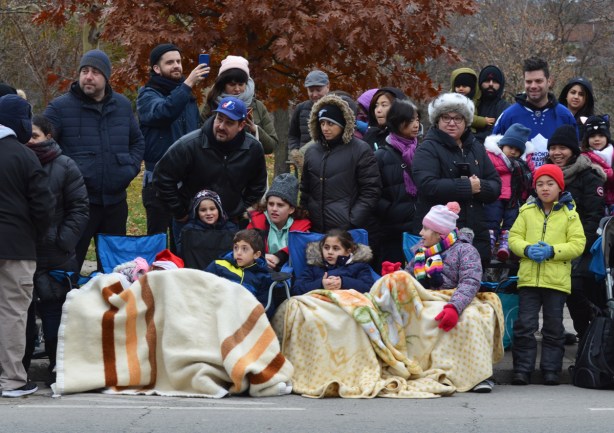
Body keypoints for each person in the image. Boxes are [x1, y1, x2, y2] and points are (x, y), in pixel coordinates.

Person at [44, 49, 145, 270]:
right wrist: (69, 176)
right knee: (67, 265)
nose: (88, 76)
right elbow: (44, 146)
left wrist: (128, 169)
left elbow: (137, 142)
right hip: (77, 205)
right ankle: (62, 303)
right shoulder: (59, 108)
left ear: (106, 77)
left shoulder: (121, 105)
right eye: (85, 71)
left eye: (95, 72)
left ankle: (109, 304)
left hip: (115, 203)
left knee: (113, 270)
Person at [20, 114, 89, 387]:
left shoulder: (66, 166)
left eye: (35, 136)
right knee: (21, 315)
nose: (30, 141)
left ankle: (56, 367)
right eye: (27, 135)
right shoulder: (19, 163)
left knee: (54, 316)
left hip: (56, 254)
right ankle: (19, 368)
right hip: (24, 250)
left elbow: (80, 208)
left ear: (49, 136)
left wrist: (63, 240)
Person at [153, 96, 267, 246]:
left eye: (229, 123)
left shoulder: (253, 148)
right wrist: (180, 212)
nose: (221, 126)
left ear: (241, 125)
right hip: (190, 224)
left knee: (226, 267)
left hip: (230, 225)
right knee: (188, 269)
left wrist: (240, 210)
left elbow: (258, 185)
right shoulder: (190, 145)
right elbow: (162, 177)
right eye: (219, 118)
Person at [508, 164, 586, 385]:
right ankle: (522, 370)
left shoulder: (570, 214)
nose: (544, 188)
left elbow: (578, 244)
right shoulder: (526, 212)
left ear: (560, 187)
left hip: (556, 281)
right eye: (540, 184)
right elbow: (513, 238)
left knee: (553, 327)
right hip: (529, 280)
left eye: (550, 184)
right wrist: (526, 249)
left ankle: (550, 370)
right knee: (525, 325)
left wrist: (553, 251)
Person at [407, 201, 494, 393]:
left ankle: (479, 376)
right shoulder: (420, 253)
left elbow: (470, 282)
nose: (421, 233)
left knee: (472, 319)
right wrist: (394, 275)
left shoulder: (466, 251)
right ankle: (423, 370)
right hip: (429, 299)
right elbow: (409, 279)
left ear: (440, 234)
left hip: (457, 299)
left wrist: (455, 307)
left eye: (425, 229)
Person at [0, 95, 53, 397]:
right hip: (16, 247)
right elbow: (43, 207)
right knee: (12, 313)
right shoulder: (24, 156)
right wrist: (38, 235)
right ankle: (13, 380)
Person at [411, 92, 501, 264]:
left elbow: (496, 184)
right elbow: (427, 184)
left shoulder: (476, 147)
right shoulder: (427, 148)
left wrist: (479, 186)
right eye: (446, 117)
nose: (452, 123)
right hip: (438, 236)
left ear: (466, 122)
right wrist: (467, 187)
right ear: (437, 120)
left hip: (476, 231)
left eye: (458, 118)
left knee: (475, 284)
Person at [137, 43, 206, 246]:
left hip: (186, 182)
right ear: (156, 68)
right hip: (157, 182)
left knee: (183, 244)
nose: (176, 66)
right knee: (157, 244)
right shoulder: (147, 94)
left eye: (178, 61)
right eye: (170, 62)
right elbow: (164, 112)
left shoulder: (188, 98)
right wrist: (188, 84)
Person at [300, 94, 381, 263]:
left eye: (330, 123)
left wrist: (351, 220)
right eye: (322, 123)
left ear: (343, 124)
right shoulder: (312, 151)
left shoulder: (360, 150)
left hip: (348, 232)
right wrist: (306, 216)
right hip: (316, 230)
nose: (325, 128)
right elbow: (305, 189)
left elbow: (371, 190)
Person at [544, 125, 607, 341]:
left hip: (582, 246)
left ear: (573, 150)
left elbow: (594, 217)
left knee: (577, 285)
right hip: (548, 245)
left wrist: (577, 246)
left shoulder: (589, 176)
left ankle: (591, 335)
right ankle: (560, 332)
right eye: (553, 148)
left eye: (562, 148)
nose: (557, 153)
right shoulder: (543, 176)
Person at [493, 57, 577, 170]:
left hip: (559, 185)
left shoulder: (565, 116)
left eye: (538, 81)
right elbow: (494, 157)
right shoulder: (508, 116)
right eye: (528, 81)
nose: (533, 86)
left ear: (549, 81)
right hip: (518, 185)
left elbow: (576, 155)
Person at [375, 99, 421, 265]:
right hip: (392, 231)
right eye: (409, 121)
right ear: (397, 122)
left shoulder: (422, 151)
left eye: (417, 119)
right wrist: (389, 209)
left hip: (419, 228)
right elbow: (373, 192)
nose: (415, 125)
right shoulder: (381, 155)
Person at [202, 55, 278, 155]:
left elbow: (271, 147)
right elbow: (201, 139)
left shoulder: (257, 107)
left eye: (241, 84)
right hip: (216, 161)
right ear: (222, 84)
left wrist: (255, 130)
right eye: (232, 85)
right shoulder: (212, 104)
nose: (237, 89)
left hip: (248, 164)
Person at [484, 123, 533, 261]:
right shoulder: (492, 158)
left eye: (517, 150)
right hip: (496, 196)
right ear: (502, 146)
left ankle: (505, 244)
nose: (513, 152)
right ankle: (490, 242)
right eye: (510, 147)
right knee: (492, 218)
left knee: (511, 221)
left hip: (514, 198)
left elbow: (530, 178)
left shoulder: (523, 164)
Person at [247, 173, 311, 271]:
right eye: (271, 204)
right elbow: (245, 247)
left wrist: (279, 256)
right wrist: (261, 258)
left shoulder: (302, 229)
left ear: (291, 209)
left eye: (280, 205)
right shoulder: (256, 222)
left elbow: (301, 251)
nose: (274, 209)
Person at [292, 229, 375, 295]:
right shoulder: (314, 266)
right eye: (326, 247)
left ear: (348, 251)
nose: (330, 252)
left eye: (336, 248)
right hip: (319, 306)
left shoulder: (359, 266)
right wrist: (321, 284)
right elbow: (297, 290)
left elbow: (369, 288)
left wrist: (343, 282)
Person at [205, 229, 272, 308]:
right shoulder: (218, 265)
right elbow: (202, 287)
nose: (238, 253)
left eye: (244, 249)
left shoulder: (263, 277)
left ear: (256, 255)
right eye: (236, 248)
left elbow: (264, 308)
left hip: (244, 316)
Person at [180, 189, 239, 269]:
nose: (208, 213)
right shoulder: (189, 230)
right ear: (197, 212)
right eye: (203, 210)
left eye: (212, 209)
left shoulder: (231, 229)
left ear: (219, 210)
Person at [288, 70, 330, 169]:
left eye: (318, 90)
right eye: (311, 90)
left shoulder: (336, 107)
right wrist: (295, 151)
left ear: (328, 86)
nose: (314, 94)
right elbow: (293, 135)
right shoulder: (301, 108)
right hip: (306, 162)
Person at [581, 115, 614, 214]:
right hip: (595, 202)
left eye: (601, 136)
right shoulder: (583, 157)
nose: (597, 139)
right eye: (592, 136)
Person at [475, 65, 510, 144]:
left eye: (495, 81)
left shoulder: (505, 108)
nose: (491, 84)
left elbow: (498, 134)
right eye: (487, 81)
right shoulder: (472, 105)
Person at [450, 67, 492, 135]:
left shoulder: (475, 98)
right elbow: (464, 115)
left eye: (464, 86)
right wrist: (483, 121)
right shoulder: (453, 100)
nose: (461, 88)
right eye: (457, 86)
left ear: (472, 87)